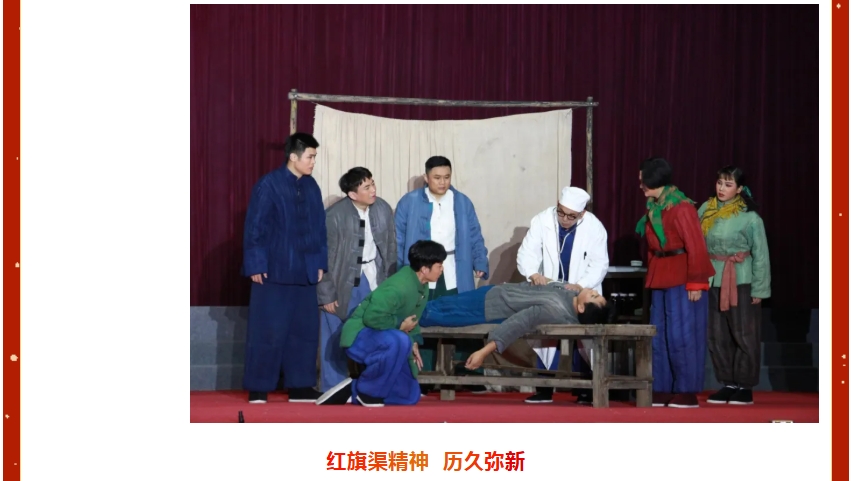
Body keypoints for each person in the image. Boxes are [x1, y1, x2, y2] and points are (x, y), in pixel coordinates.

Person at [241, 132, 327, 404]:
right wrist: (256, 264)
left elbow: (319, 229)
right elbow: (255, 227)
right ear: (293, 156)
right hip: (273, 271)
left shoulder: (312, 186)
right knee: (267, 331)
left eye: (314, 157)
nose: (313, 162)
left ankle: (300, 386)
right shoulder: (269, 184)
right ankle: (258, 387)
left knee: (304, 332)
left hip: (305, 272)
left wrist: (320, 263)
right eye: (310, 157)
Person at [395, 156, 490, 391]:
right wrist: (401, 269)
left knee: (464, 318)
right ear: (426, 177)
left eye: (447, 177)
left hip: (455, 266)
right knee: (422, 318)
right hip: (422, 269)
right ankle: (423, 375)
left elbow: (475, 234)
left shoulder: (462, 201)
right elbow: (397, 238)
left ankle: (469, 374)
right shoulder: (409, 202)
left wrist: (480, 260)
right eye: (437, 177)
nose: (442, 182)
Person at [316, 240, 447, 407]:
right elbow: (372, 318)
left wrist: (413, 342)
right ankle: (368, 392)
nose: (442, 269)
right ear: (424, 269)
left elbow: (413, 319)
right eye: (439, 266)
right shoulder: (398, 286)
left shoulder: (423, 285)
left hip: (388, 336)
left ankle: (354, 389)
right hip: (360, 335)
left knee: (409, 396)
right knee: (400, 340)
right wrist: (400, 326)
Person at [516, 186, 609, 404]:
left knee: (584, 339)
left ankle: (585, 390)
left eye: (571, 216)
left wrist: (581, 285)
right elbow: (527, 251)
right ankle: (544, 388)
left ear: (582, 214)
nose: (564, 219)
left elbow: (599, 263)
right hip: (551, 289)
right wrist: (533, 273)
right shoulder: (543, 220)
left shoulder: (595, 227)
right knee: (547, 336)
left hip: (581, 290)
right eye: (561, 212)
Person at [635, 157, 715, 408]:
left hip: (682, 277)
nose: (640, 184)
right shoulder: (654, 207)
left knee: (682, 335)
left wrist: (696, 282)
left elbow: (696, 245)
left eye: (642, 179)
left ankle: (686, 390)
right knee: (658, 335)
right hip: (661, 275)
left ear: (653, 179)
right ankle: (663, 387)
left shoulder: (681, 207)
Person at [316, 167, 397, 393]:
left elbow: (391, 248)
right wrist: (326, 294)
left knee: (374, 328)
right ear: (352, 194)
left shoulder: (382, 208)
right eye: (366, 187)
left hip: (373, 277)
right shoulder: (334, 216)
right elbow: (322, 257)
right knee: (334, 332)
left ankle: (373, 384)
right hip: (340, 281)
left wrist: (391, 285)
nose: (373, 190)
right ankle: (333, 387)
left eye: (373, 184)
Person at [413, 282, 611, 371]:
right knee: (438, 305)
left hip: (489, 307)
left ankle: (400, 321)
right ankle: (402, 314)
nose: (593, 290)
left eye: (594, 296)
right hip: (494, 293)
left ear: (582, 308)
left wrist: (483, 352)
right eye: (596, 293)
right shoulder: (572, 295)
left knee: (434, 313)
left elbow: (518, 323)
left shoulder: (555, 311)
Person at [698, 166, 771, 405]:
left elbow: (761, 254)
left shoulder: (750, 217)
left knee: (744, 333)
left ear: (739, 189)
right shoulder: (705, 210)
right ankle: (728, 383)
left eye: (728, 185)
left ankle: (745, 385)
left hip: (741, 280)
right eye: (719, 183)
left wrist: (759, 289)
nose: (721, 188)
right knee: (717, 334)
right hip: (712, 278)